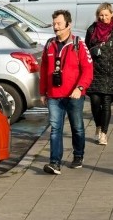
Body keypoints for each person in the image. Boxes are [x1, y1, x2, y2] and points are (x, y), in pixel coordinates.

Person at [40, 9, 94, 174]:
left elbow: (88, 69)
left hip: (74, 95)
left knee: (77, 127)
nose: (55, 27)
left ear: (68, 25)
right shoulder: (50, 44)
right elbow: (43, 70)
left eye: (59, 24)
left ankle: (78, 155)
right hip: (54, 96)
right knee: (55, 128)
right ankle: (54, 162)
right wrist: (43, 92)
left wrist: (80, 88)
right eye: (54, 24)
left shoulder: (78, 43)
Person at [84, 3, 113, 146]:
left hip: (111, 72)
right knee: (95, 102)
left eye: (106, 15)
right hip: (94, 72)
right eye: (101, 15)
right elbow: (86, 50)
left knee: (106, 103)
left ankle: (103, 134)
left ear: (112, 15)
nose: (104, 17)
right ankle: (98, 125)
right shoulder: (91, 30)